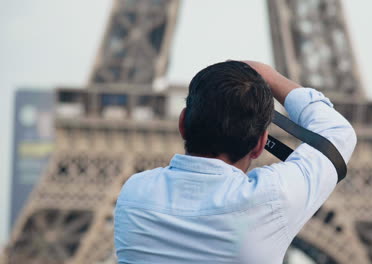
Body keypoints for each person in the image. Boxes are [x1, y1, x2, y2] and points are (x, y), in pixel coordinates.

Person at [114, 60, 357, 263]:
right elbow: (337, 134)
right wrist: (269, 76)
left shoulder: (133, 194)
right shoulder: (272, 197)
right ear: (261, 144)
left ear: (182, 123)